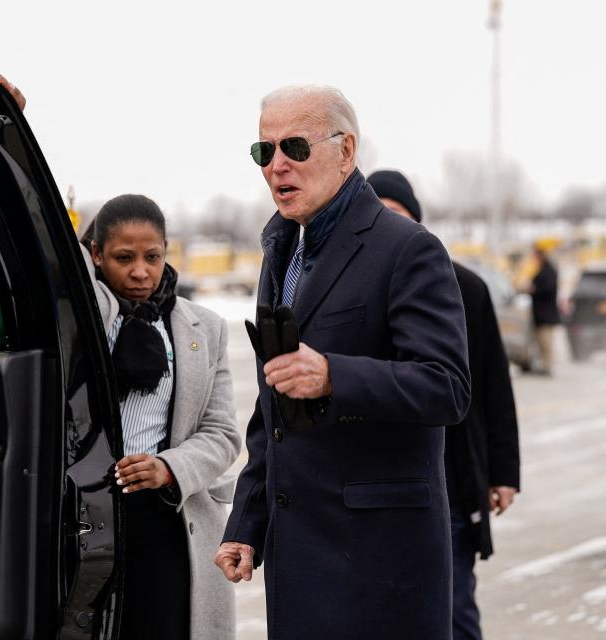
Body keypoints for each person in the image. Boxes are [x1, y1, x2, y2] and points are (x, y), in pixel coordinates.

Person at [0, 75, 242, 640]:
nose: (140, 271)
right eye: (123, 258)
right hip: (90, 518)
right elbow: (36, 224)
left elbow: (221, 434)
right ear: (95, 256)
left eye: (152, 256)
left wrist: (169, 466)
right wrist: (12, 130)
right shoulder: (89, 312)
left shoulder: (204, 328)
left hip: (174, 523)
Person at [214, 86, 471, 639]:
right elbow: (274, 408)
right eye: (265, 152)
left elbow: (446, 387)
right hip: (300, 562)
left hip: (379, 567)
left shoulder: (407, 248)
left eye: (295, 148)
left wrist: (334, 375)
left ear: (346, 151)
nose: (277, 166)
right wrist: (247, 521)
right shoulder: (283, 251)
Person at [369, 169, 521, 640]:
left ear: (417, 223)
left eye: (399, 216)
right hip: (378, 482)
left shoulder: (465, 287)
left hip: (452, 479)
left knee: (454, 610)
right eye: (380, 217)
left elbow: (494, 384)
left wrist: (502, 473)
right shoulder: (353, 290)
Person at [529, 244, 560, 374]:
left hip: (546, 313)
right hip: (540, 313)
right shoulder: (542, 269)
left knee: (546, 341)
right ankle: (544, 364)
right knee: (541, 341)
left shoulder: (549, 270)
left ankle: (547, 366)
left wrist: (534, 289)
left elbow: (548, 289)